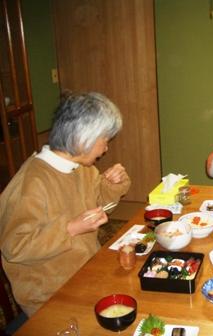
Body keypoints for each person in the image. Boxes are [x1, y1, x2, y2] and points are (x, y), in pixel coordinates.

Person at [0, 92, 131, 317]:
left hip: (86, 272)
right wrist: (70, 228)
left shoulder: (82, 168)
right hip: (48, 294)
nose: (106, 149)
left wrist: (111, 184)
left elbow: (100, 202)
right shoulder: (31, 183)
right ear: (83, 140)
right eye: (105, 140)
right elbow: (13, 247)